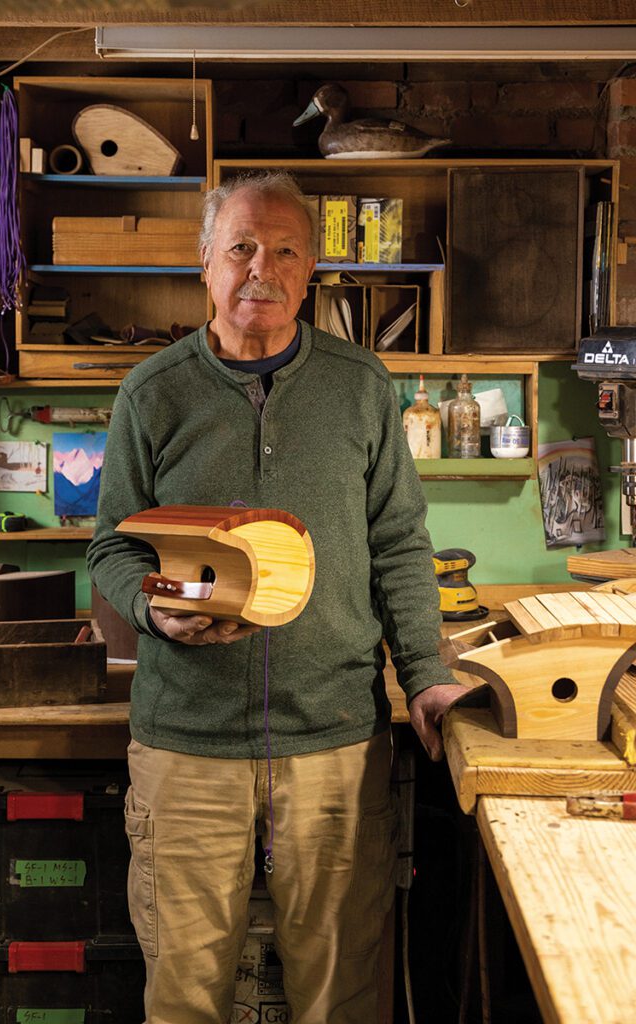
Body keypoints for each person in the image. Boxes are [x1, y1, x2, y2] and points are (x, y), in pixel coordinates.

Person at [87, 170, 466, 1024]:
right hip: (187, 743)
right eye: (242, 247)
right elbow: (112, 545)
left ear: (311, 270)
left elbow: (400, 545)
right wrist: (152, 606)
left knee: (340, 990)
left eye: (285, 250)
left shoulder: (361, 386)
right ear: (206, 264)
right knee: (185, 993)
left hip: (333, 737)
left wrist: (428, 672)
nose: (262, 267)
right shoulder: (152, 393)